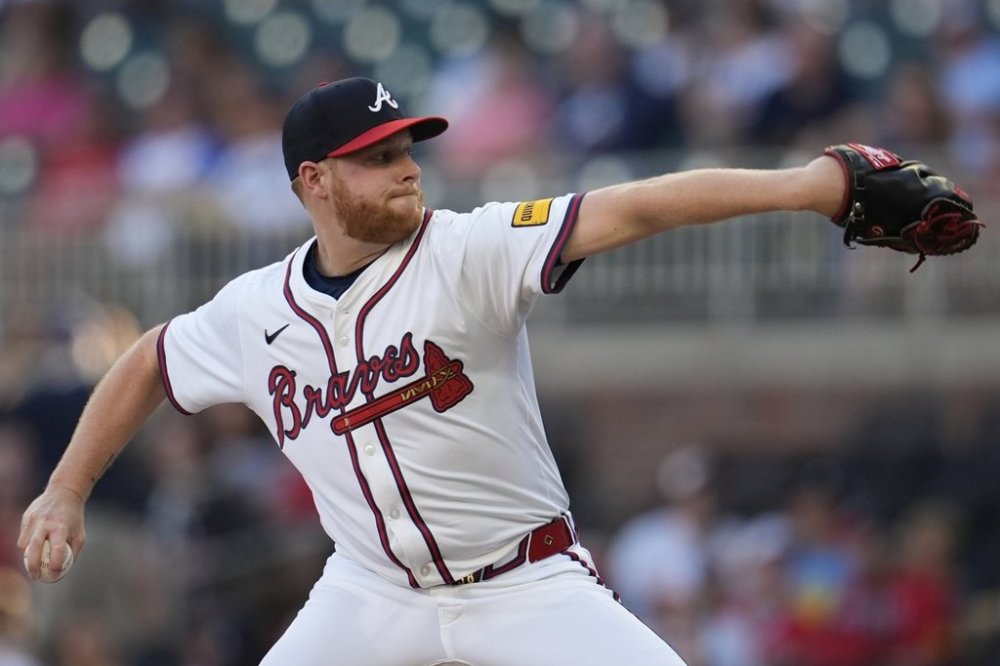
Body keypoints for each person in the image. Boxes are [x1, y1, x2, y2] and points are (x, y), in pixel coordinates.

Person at [19, 76, 850, 666]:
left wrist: (811, 187)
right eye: (376, 157)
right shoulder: (254, 310)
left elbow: (629, 206)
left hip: (524, 583)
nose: (407, 167)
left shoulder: (467, 248)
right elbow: (148, 362)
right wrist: (66, 488)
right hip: (370, 593)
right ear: (315, 181)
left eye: (405, 148)